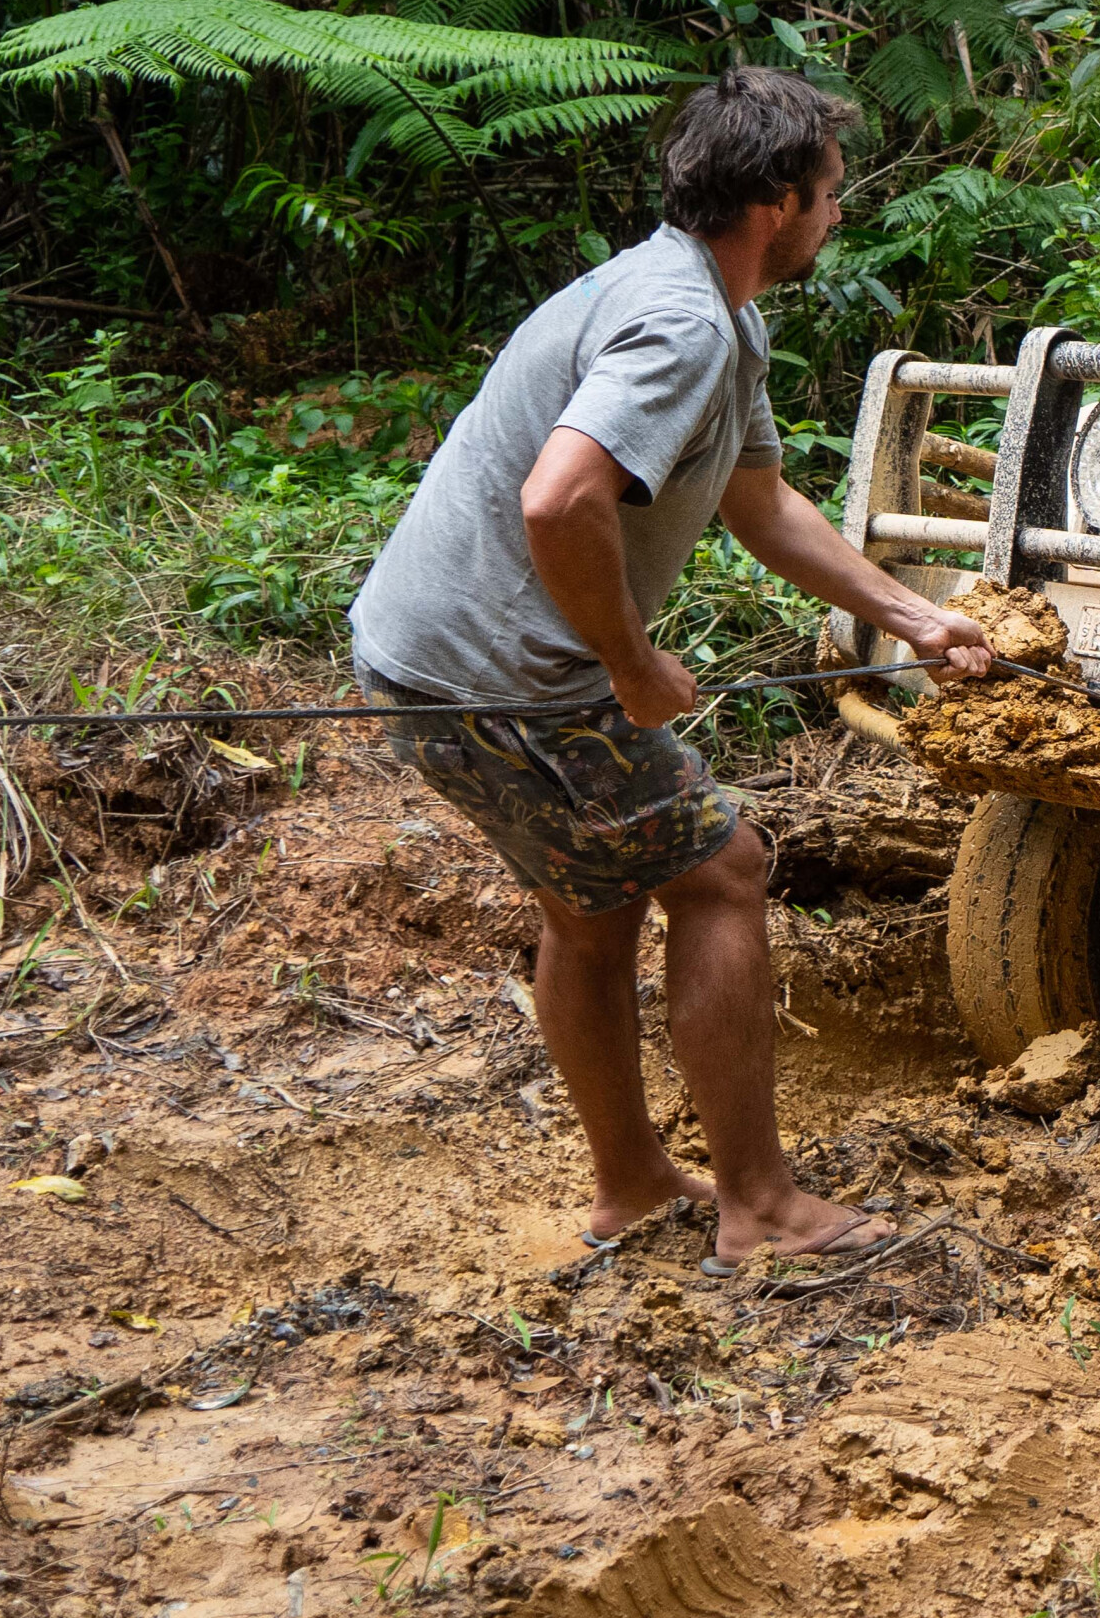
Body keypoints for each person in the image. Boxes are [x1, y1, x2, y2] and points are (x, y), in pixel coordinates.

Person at [349, 65, 996, 1269]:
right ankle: (759, 1206)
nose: (839, 213)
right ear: (776, 203)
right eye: (832, 193)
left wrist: (914, 617)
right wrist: (629, 658)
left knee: (591, 902)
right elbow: (559, 498)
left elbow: (760, 506)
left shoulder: (715, 312)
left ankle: (636, 1183)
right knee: (722, 870)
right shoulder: (685, 322)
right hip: (508, 670)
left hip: (424, 654)